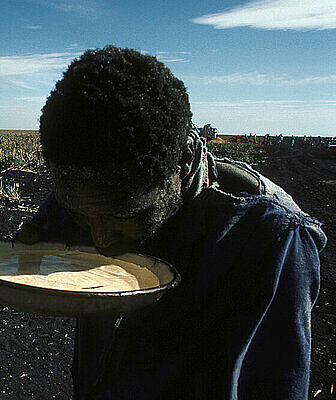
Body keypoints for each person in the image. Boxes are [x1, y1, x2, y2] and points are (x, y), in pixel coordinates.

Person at [17, 46, 325, 399]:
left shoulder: (271, 244)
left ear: (184, 161)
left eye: (124, 218)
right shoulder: (90, 190)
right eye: (81, 216)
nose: (101, 240)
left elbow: (272, 384)